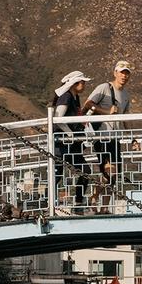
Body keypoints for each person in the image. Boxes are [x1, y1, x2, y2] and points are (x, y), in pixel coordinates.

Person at [82, 60, 136, 205]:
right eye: (121, 72)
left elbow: (125, 118)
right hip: (102, 137)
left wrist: (133, 138)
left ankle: (103, 205)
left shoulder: (125, 94)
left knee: (114, 174)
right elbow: (88, 104)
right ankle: (94, 198)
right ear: (115, 73)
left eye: (127, 73)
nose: (124, 76)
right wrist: (107, 112)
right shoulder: (104, 87)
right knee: (109, 172)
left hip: (115, 138)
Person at [52, 70, 91, 210]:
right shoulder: (66, 97)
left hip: (71, 144)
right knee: (57, 174)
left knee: (85, 170)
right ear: (75, 84)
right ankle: (47, 203)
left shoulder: (75, 98)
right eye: (82, 82)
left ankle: (78, 202)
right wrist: (70, 134)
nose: (84, 84)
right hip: (62, 143)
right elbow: (58, 119)